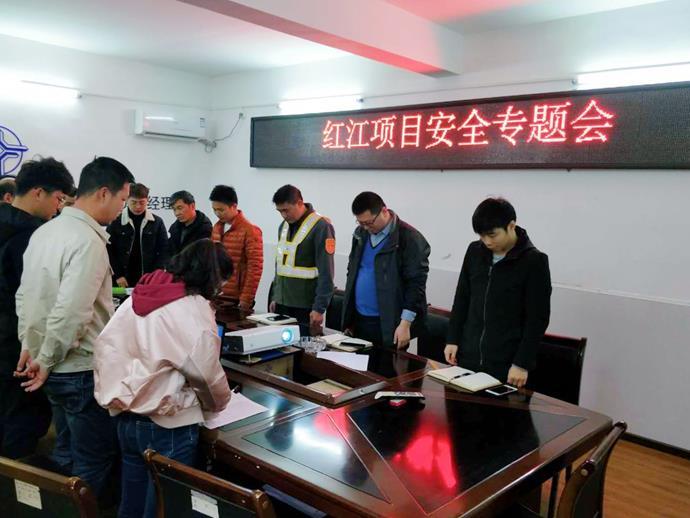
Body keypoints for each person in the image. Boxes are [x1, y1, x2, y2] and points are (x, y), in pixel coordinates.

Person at [15, 156, 134, 496]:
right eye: (122, 199)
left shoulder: (45, 231)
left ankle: (55, 506)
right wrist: (46, 358)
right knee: (93, 459)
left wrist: (30, 346)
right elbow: (72, 312)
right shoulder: (87, 241)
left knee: (65, 450)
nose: (122, 209)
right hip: (77, 368)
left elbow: (26, 297)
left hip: (49, 363)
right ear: (103, 193)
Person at [94, 239, 232, 518]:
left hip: (126, 417)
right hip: (168, 425)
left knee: (132, 500)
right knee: (163, 506)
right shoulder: (192, 309)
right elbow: (205, 374)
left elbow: (105, 347)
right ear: (212, 277)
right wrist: (219, 404)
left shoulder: (140, 295)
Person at [0, 157, 74, 459]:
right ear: (38, 192)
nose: (59, 207)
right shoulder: (34, 237)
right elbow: (36, 299)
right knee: (23, 420)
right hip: (18, 344)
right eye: (58, 199)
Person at [444, 198, 551, 387]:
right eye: (482, 236)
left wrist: (522, 363)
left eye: (492, 235)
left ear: (511, 226)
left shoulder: (534, 261)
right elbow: (462, 298)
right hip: (467, 357)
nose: (487, 241)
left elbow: (537, 319)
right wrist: (452, 339)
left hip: (507, 365)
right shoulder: (474, 251)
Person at [342, 192, 430, 350]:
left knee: (386, 365)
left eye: (369, 222)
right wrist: (349, 317)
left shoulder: (409, 238)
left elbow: (416, 285)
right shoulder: (361, 234)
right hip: (360, 319)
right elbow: (352, 272)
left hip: (390, 323)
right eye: (360, 223)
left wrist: (405, 324)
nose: (365, 227)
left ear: (384, 211)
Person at [269, 184, 334, 336]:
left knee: (302, 347)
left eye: (286, 210)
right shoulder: (283, 226)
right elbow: (281, 265)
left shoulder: (321, 227)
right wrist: (276, 296)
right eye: (279, 211)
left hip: (305, 306)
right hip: (282, 303)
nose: (283, 215)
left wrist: (319, 308)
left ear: (299, 203)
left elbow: (327, 272)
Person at [210, 185, 263, 311]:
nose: (217, 214)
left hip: (237, 298)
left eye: (221, 210)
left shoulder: (250, 231)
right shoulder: (216, 228)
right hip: (217, 295)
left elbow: (255, 268)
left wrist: (246, 299)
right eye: (214, 210)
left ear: (233, 206)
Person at [107, 182, 169, 288]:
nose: (138, 206)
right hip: (121, 278)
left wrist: (156, 275)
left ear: (147, 200)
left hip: (148, 278)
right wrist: (118, 275)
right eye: (134, 202)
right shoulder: (116, 220)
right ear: (127, 200)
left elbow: (164, 250)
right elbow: (108, 250)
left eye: (142, 202)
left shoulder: (157, 222)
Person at [168, 190, 212, 257]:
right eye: (174, 209)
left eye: (180, 208)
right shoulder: (175, 228)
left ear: (192, 206)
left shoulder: (205, 229)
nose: (177, 213)